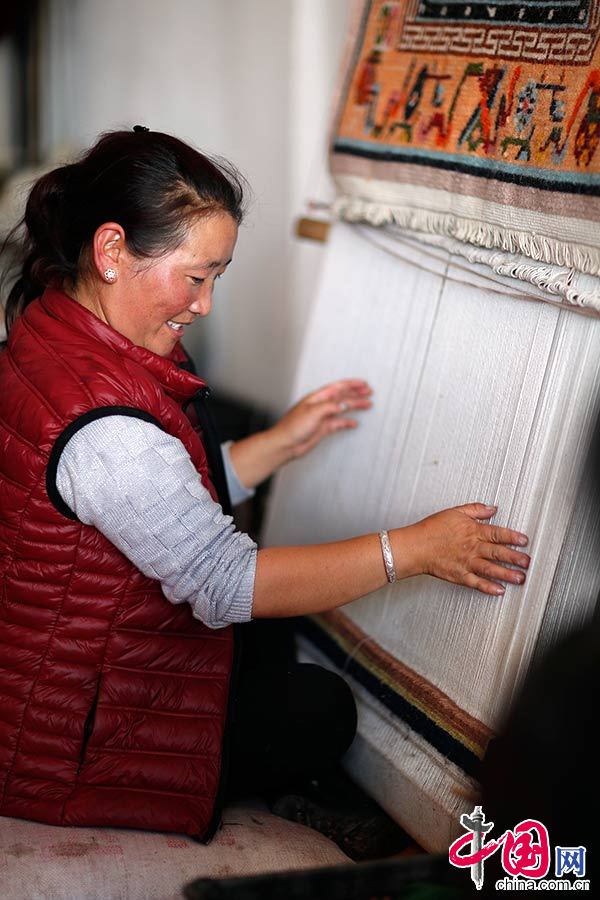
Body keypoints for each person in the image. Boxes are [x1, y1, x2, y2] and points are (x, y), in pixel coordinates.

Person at [0, 128, 530, 843]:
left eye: (218, 277)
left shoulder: (50, 332)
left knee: (278, 628)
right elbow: (221, 580)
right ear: (112, 251)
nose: (205, 304)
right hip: (72, 749)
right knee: (318, 707)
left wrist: (282, 442)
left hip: (46, 693)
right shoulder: (108, 427)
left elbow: (146, 504)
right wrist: (414, 550)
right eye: (196, 277)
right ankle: (288, 794)